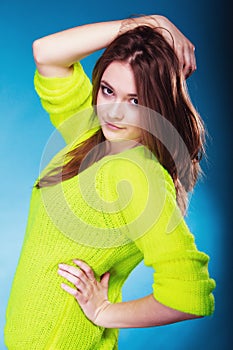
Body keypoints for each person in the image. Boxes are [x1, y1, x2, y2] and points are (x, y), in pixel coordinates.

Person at [4, 15, 215, 349]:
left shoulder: (137, 172)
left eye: (135, 100)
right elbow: (46, 53)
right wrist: (151, 22)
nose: (114, 112)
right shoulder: (90, 134)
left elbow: (189, 293)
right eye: (108, 90)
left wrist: (105, 312)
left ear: (158, 105)